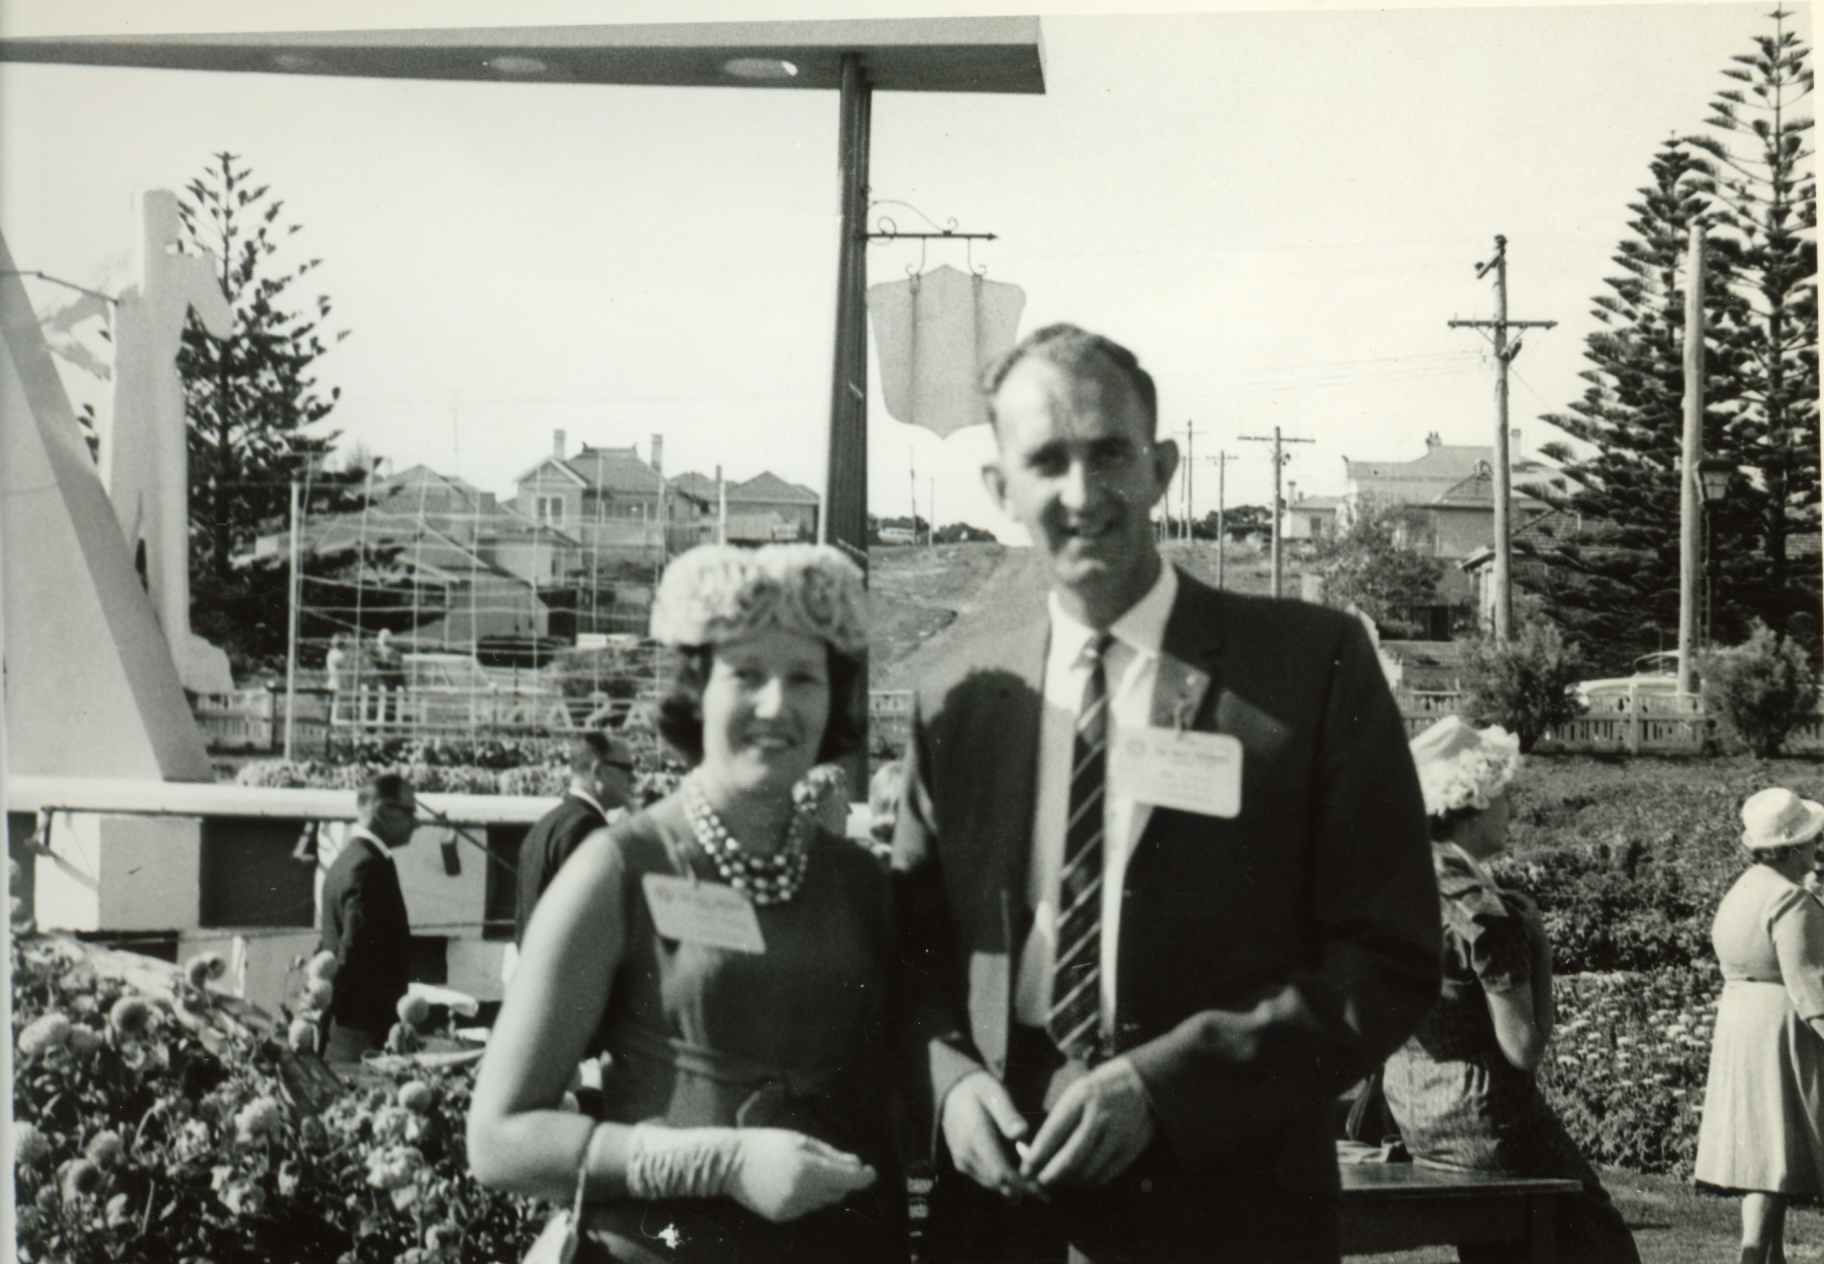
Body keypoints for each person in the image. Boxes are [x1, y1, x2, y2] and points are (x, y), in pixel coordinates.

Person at [892, 322, 1441, 1263]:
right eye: (1046, 461)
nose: (1081, 493)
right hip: (1000, 1209)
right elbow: (910, 951)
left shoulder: (1309, 671)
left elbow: (1387, 958)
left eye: (1109, 453)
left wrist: (1166, 1087)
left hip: (1227, 1208)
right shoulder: (961, 698)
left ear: (1163, 467)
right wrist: (948, 1082)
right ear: (999, 490)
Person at [468, 543, 905, 1264]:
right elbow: (498, 1139)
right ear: (697, 691)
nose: (777, 704)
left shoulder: (862, 883)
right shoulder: (617, 868)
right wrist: (718, 1162)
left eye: (804, 677)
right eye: (747, 674)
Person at [1383, 716, 1639, 1264]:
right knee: (1605, 1247)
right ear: (1473, 801)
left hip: (1418, 1113)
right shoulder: (1482, 908)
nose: (1514, 810)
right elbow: (1523, 1049)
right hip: (1490, 1123)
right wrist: (1540, 950)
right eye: (1505, 796)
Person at [1695, 786, 1824, 1264]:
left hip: (1742, 1021)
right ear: (1790, 848)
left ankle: (1768, 1255)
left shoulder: (1745, 888)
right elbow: (1810, 983)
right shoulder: (1790, 900)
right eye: (1811, 840)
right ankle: (1756, 1258)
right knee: (1774, 1151)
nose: (1817, 848)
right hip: (1778, 1027)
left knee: (1763, 1151)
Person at [500, 732, 638, 989]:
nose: (634, 778)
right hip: (570, 985)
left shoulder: (547, 823)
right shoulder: (586, 828)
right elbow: (591, 922)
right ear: (598, 770)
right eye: (627, 768)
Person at [317, 771, 419, 1061]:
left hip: (343, 1029)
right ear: (385, 811)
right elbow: (354, 952)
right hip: (363, 1034)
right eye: (410, 812)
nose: (417, 823)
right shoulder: (368, 867)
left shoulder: (347, 859)